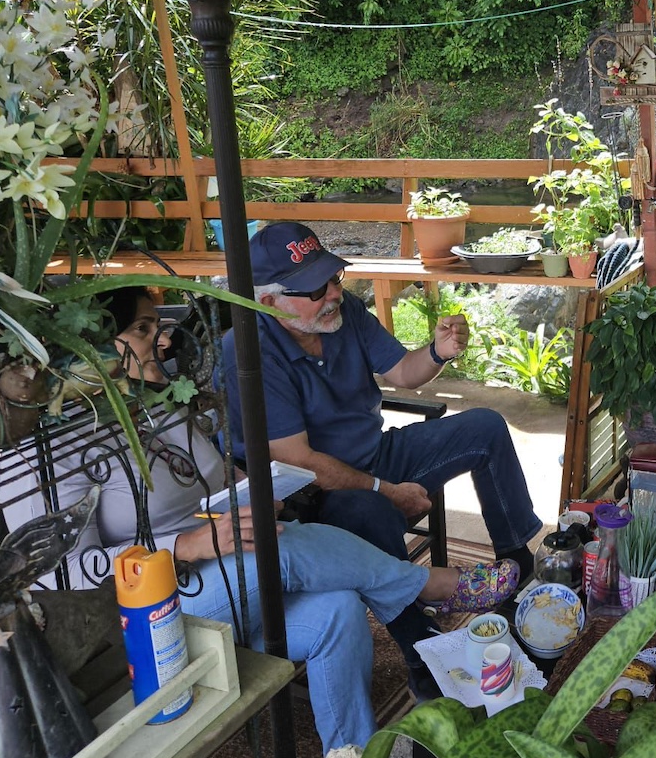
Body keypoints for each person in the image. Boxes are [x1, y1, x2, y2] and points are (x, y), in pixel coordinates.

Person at [0, 286, 520, 758]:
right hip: (147, 611)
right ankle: (429, 585)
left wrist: (253, 489)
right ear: (88, 349)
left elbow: (210, 477)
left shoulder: (154, 403)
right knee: (273, 544)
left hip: (222, 571)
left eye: (157, 326)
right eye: (142, 329)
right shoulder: (47, 451)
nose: (161, 341)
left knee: (337, 609)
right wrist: (186, 545)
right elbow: (56, 576)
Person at [216, 222, 542, 684]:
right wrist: (388, 492)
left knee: (484, 427)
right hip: (310, 497)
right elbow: (300, 461)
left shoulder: (342, 310)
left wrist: (437, 350)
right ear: (269, 300)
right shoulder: (246, 351)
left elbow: (402, 374)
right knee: (370, 513)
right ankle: (423, 649)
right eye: (316, 287)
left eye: (334, 278)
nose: (332, 292)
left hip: (377, 454)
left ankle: (518, 563)